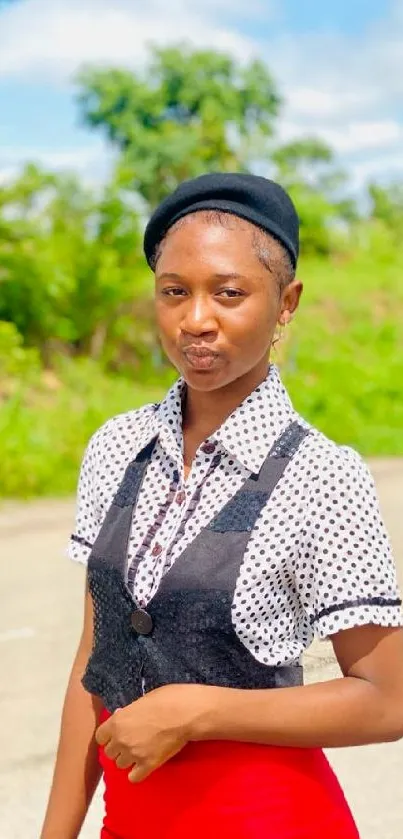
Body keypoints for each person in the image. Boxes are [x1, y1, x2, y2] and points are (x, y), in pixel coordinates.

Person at [41, 173, 403, 839]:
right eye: (173, 291)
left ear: (285, 301)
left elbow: (388, 698)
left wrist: (199, 710)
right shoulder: (117, 447)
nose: (195, 318)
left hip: (269, 818)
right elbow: (94, 660)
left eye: (228, 293)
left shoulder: (322, 475)